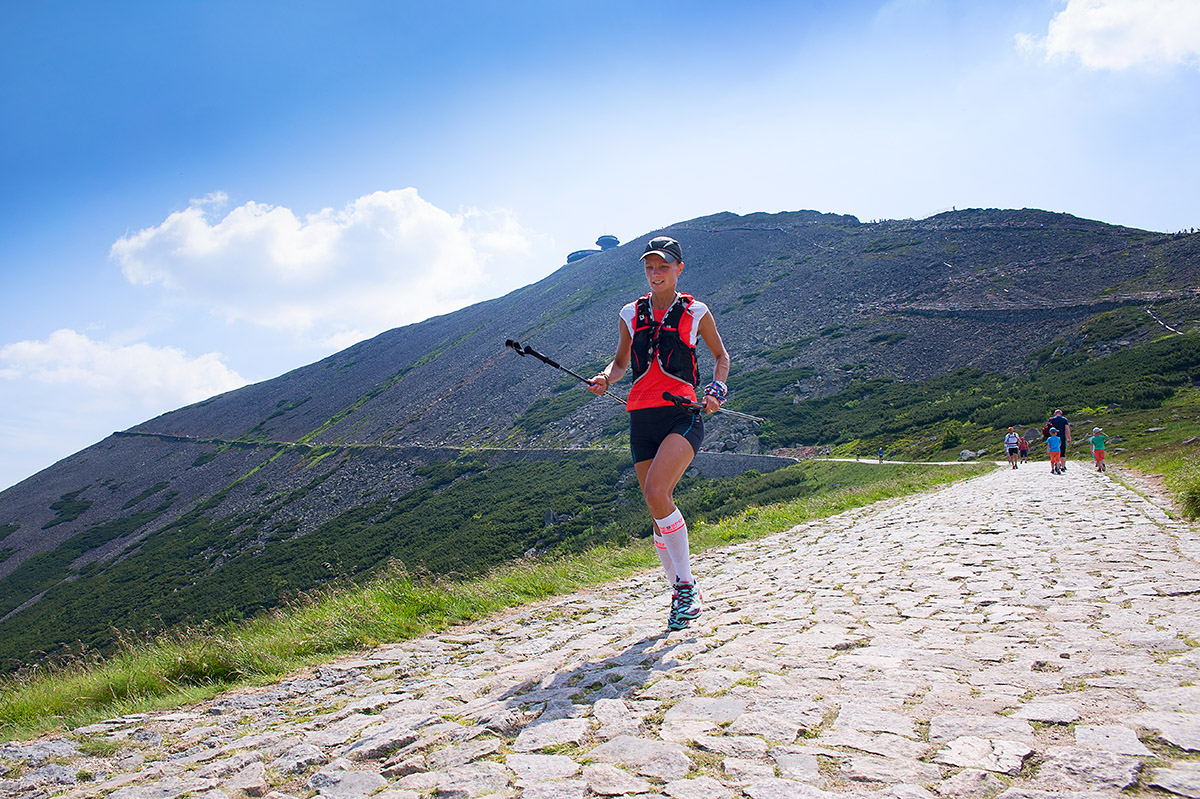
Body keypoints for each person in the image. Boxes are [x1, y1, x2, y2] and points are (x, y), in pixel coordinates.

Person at [589, 236, 729, 632]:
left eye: (663, 266)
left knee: (656, 493)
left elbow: (721, 356)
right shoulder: (629, 313)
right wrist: (605, 378)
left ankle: (686, 586)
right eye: (650, 267)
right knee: (656, 510)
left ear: (678, 269)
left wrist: (717, 390)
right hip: (641, 417)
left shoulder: (697, 311)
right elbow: (620, 364)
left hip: (681, 414)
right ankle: (679, 594)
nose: (655, 273)